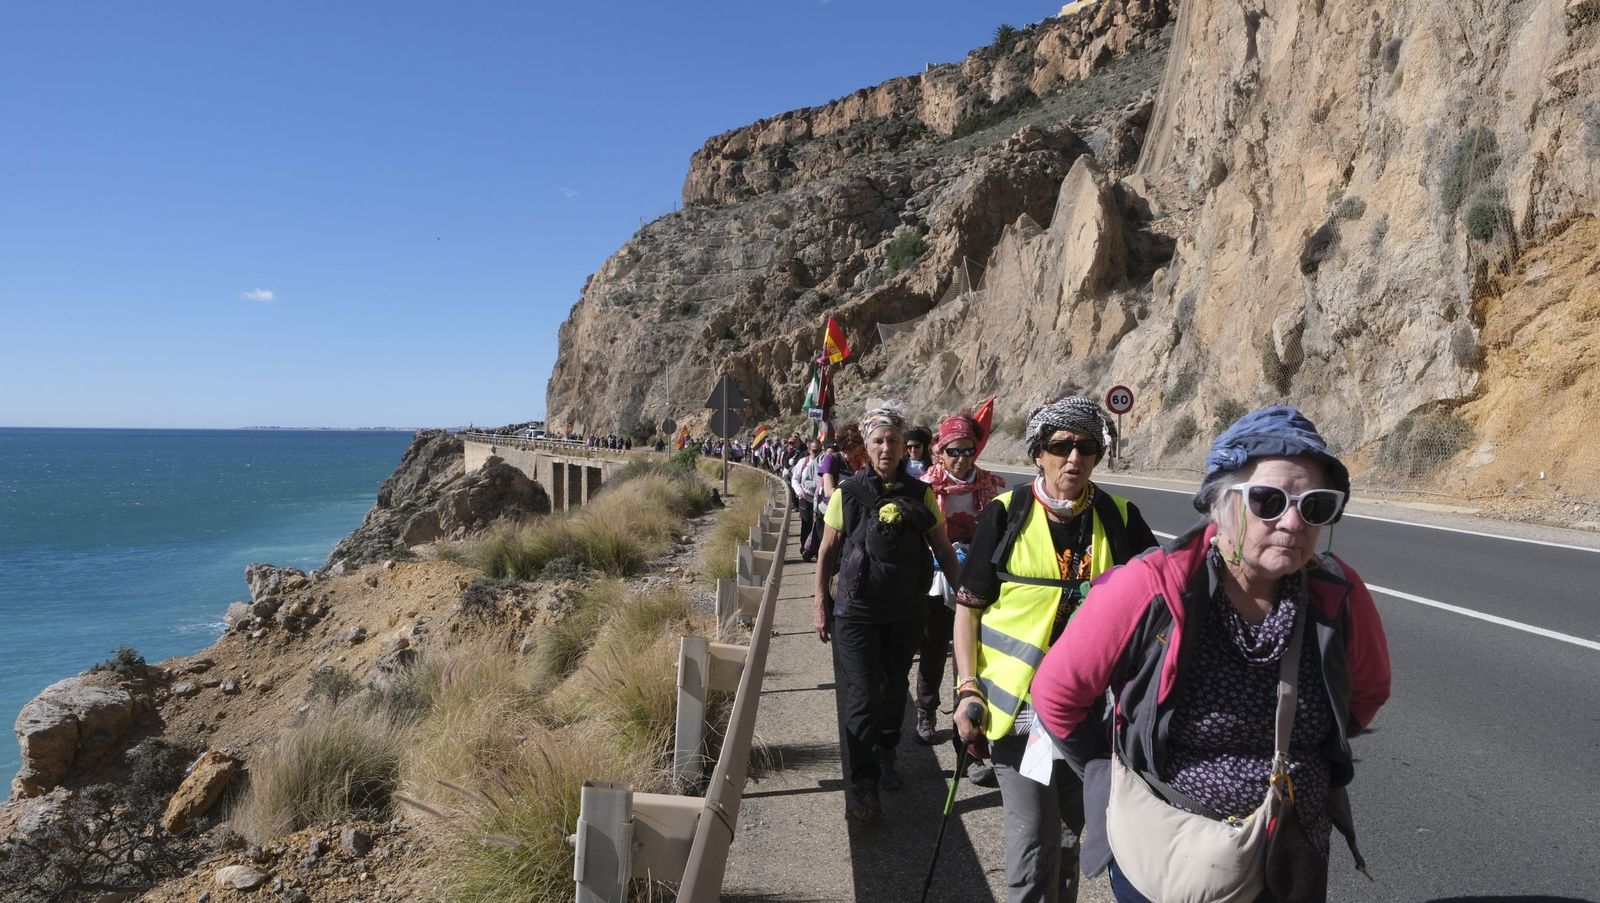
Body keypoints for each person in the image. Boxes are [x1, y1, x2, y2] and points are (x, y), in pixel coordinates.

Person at [1029, 406, 1392, 903]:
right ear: (1221, 503)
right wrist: (1101, 769)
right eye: (1269, 500)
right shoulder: (1150, 585)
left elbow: (1366, 692)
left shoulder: (1338, 590)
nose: (1292, 521)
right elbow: (1056, 693)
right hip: (1172, 854)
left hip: (1292, 853)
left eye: (1315, 506)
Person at [952, 396, 1157, 903]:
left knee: (1068, 841)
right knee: (1031, 847)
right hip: (1017, 713)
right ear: (1038, 453)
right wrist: (966, 686)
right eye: (1061, 445)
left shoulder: (1119, 517)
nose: (1074, 458)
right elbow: (968, 608)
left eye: (1086, 446)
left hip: (1091, 717)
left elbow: (1165, 600)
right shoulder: (1007, 514)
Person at [814, 406, 962, 822]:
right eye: (878, 440)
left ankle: (888, 749)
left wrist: (964, 593)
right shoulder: (848, 493)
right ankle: (863, 785)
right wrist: (820, 604)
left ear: (903, 447)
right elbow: (827, 551)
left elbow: (942, 547)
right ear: (866, 445)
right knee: (862, 695)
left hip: (905, 612)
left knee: (895, 687)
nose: (886, 448)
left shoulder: (921, 494)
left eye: (893, 441)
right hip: (855, 613)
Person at [913, 412, 1008, 753]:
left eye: (968, 451)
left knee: (970, 659)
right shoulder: (926, 486)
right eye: (954, 451)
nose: (962, 459)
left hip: (976, 581)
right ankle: (925, 710)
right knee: (934, 649)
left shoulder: (988, 486)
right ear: (941, 452)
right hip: (937, 580)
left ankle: (968, 743)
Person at [790, 438, 822, 561]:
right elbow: (795, 479)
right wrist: (799, 492)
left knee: (819, 525)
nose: (817, 453)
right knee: (806, 523)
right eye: (814, 450)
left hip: (819, 500)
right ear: (809, 450)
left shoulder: (825, 462)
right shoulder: (803, 462)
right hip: (805, 497)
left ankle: (817, 549)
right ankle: (805, 548)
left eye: (819, 450)